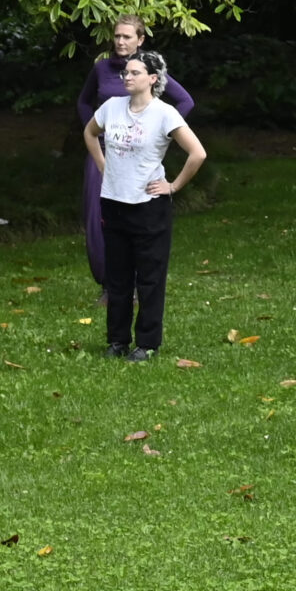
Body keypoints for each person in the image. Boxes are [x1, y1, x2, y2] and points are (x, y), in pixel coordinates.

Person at [82, 51, 209, 361]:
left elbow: (198, 154)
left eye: (135, 73)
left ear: (153, 79)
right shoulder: (112, 107)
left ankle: (147, 344)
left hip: (149, 207)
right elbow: (89, 133)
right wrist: (103, 166)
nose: (127, 77)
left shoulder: (164, 114)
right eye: (126, 72)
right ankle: (117, 341)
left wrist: (174, 186)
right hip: (114, 203)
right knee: (118, 277)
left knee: (150, 278)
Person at [76, 16, 195, 294]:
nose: (120, 41)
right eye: (117, 36)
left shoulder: (149, 69)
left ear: (140, 40)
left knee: (138, 219)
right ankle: (109, 284)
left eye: (127, 37)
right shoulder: (102, 69)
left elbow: (185, 101)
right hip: (104, 152)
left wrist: (161, 135)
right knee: (97, 218)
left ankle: (138, 284)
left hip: (136, 155)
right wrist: (92, 130)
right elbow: (83, 102)